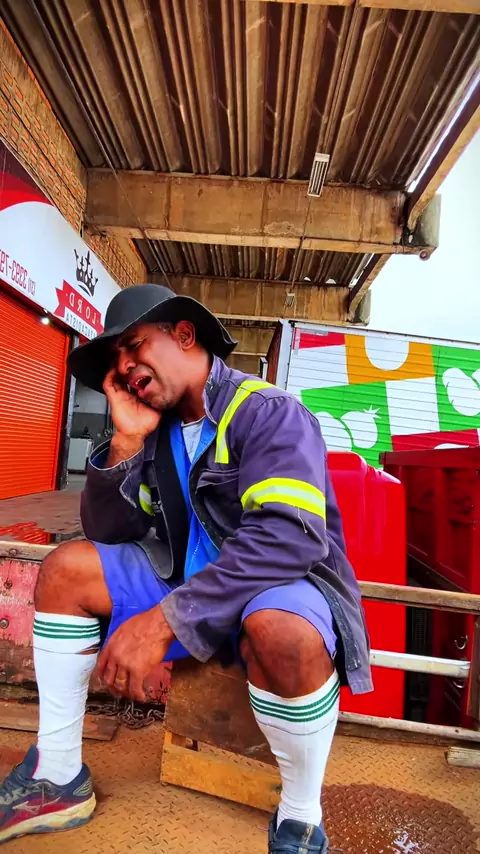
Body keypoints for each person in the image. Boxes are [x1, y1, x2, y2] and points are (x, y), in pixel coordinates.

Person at [0, 284, 372, 852]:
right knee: (66, 569)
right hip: (186, 581)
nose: (125, 368)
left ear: (184, 334)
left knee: (283, 632)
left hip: (275, 586)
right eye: (116, 362)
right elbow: (108, 533)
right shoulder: (158, 430)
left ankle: (300, 816)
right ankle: (57, 775)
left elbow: (287, 537)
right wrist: (126, 442)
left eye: (133, 346)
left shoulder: (269, 413)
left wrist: (164, 622)